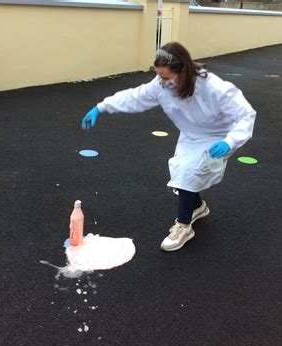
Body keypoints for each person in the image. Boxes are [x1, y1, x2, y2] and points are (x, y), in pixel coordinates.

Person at [81, 42, 256, 251]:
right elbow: (135, 97)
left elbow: (246, 115)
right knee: (184, 172)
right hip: (191, 135)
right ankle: (197, 206)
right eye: (158, 76)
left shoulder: (213, 87)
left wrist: (229, 141)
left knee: (188, 172)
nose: (161, 82)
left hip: (217, 136)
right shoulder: (162, 84)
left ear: (182, 71)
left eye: (165, 77)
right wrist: (101, 107)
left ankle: (183, 226)